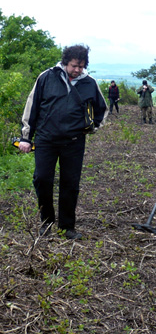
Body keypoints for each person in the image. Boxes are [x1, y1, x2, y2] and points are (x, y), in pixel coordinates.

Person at [18, 45, 108, 240]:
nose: (77, 70)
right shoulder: (46, 77)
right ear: (66, 62)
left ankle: (67, 227)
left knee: (70, 184)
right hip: (46, 139)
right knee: (42, 179)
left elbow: (102, 109)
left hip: (74, 142)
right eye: (75, 65)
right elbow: (31, 107)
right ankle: (46, 222)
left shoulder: (89, 83)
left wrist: (92, 127)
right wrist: (26, 137)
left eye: (81, 66)